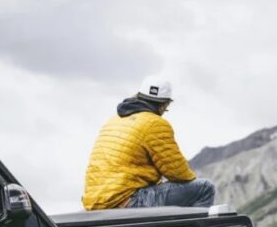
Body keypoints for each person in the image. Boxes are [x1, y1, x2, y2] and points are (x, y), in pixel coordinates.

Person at [82, 76, 216, 210]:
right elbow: (177, 172)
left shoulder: (114, 120)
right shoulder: (155, 123)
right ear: (164, 104)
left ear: (139, 95)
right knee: (204, 188)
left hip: (96, 201)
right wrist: (190, 179)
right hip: (126, 200)